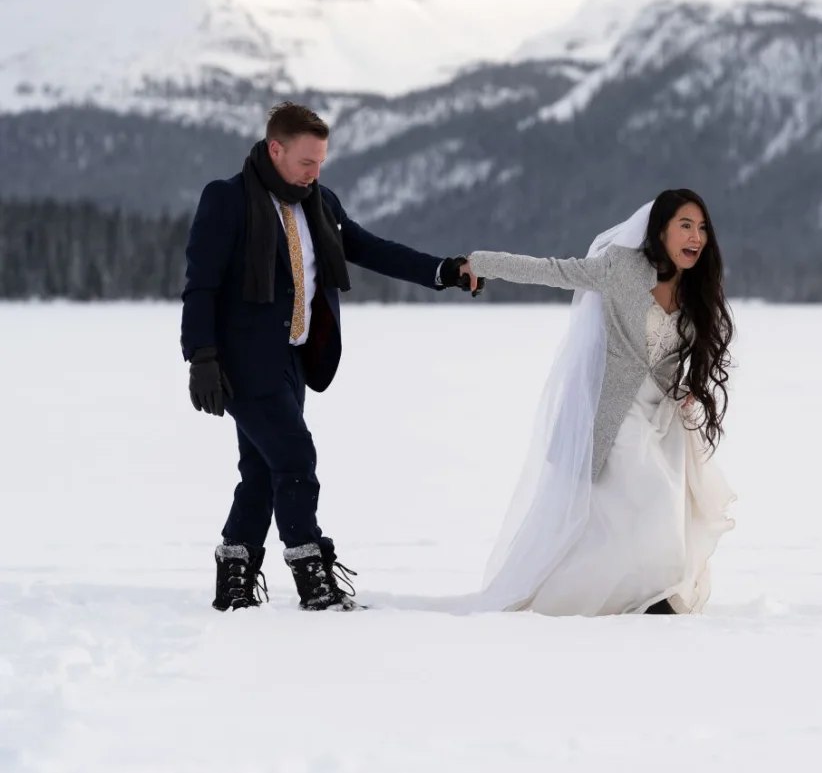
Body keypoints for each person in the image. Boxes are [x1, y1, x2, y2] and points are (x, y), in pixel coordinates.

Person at [180, 102, 479, 613]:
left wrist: (443, 271)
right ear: (275, 149)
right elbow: (200, 285)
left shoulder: (321, 203)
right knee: (296, 457)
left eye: (321, 162)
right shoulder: (227, 199)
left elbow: (371, 248)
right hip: (244, 363)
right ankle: (312, 575)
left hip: (295, 361)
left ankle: (233, 579)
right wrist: (201, 357)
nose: (315, 173)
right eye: (306, 162)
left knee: (261, 470)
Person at [446, 190, 737, 616]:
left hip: (664, 414)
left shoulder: (696, 288)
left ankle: (654, 594)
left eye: (703, 228)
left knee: (664, 508)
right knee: (654, 495)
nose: (696, 237)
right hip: (618, 411)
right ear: (660, 231)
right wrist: (480, 262)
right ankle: (641, 597)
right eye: (686, 226)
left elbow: (676, 356)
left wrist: (689, 386)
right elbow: (550, 270)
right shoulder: (621, 269)